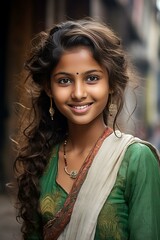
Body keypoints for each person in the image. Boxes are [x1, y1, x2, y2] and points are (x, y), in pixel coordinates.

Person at [12, 17, 160, 240]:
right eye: (64, 81)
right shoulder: (42, 159)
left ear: (110, 84)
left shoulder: (136, 159)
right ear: (49, 88)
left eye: (92, 78)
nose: (78, 93)